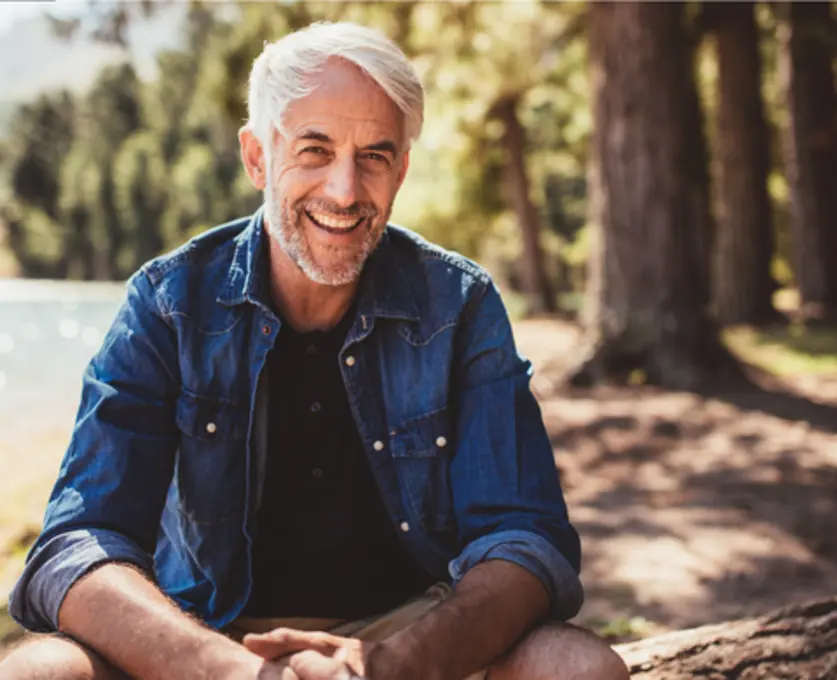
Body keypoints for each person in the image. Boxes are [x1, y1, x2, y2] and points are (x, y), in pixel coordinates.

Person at [0, 20, 628, 680]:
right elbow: (77, 543)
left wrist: (392, 663)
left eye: (375, 157)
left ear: (402, 169)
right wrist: (229, 671)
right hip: (202, 635)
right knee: (38, 672)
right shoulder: (168, 302)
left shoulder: (460, 305)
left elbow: (525, 539)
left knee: (574, 667)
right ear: (256, 157)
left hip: (411, 632)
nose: (345, 190)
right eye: (315, 150)